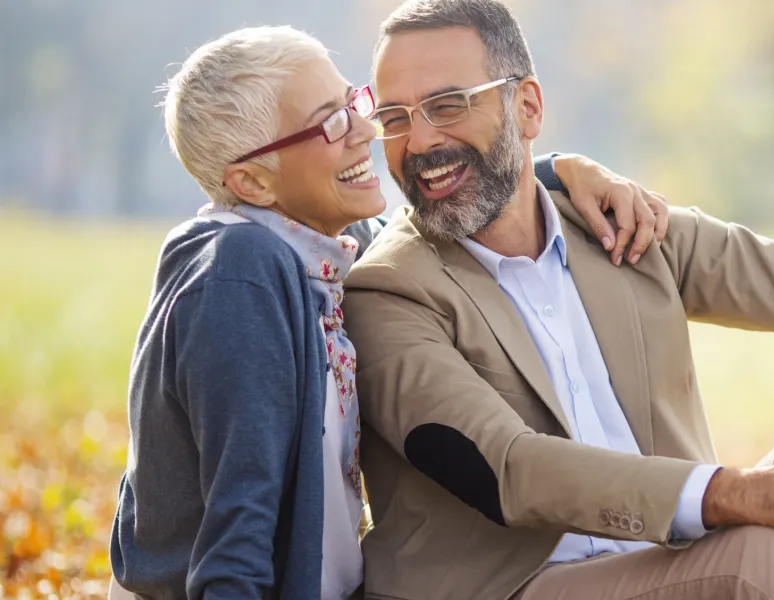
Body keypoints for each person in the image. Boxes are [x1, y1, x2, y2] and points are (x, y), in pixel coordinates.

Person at [107, 25, 666, 600]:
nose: (367, 130)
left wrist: (557, 171)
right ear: (251, 180)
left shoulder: (324, 248)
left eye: (354, 103)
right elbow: (236, 533)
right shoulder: (240, 275)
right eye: (330, 123)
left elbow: (442, 210)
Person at [341, 1, 774, 599]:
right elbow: (512, 469)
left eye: (448, 104)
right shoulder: (387, 290)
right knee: (761, 556)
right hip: (517, 586)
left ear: (526, 107)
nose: (420, 141)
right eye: (396, 118)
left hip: (672, 556)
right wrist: (737, 494)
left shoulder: (621, 221)